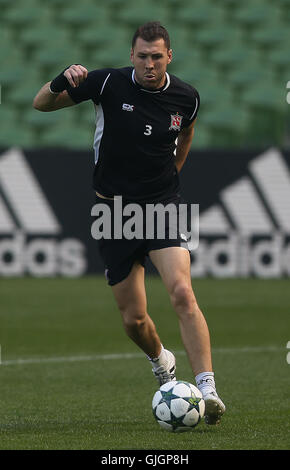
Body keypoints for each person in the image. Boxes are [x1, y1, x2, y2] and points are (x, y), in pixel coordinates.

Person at [33, 21, 225, 425]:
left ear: (169, 56)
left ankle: (208, 389)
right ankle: (161, 361)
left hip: (161, 207)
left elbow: (186, 134)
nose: (149, 64)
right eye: (142, 56)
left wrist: (173, 173)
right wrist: (59, 79)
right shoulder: (106, 84)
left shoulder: (187, 97)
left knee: (182, 294)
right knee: (134, 320)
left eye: (157, 56)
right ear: (131, 55)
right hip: (114, 212)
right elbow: (40, 104)